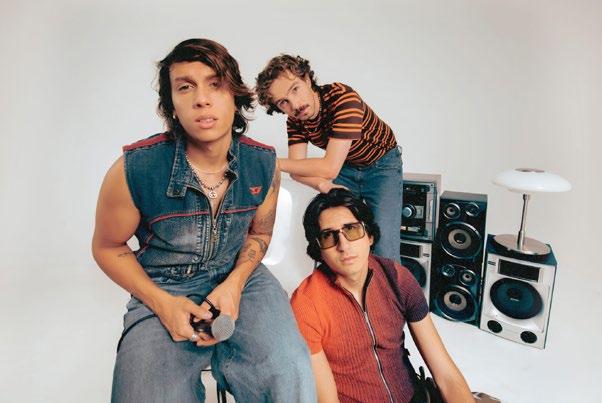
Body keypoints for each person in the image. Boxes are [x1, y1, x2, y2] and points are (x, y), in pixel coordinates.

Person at [92, 38, 315, 402]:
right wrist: (162, 303)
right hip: (162, 284)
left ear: (235, 96)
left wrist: (235, 284)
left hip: (242, 278)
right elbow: (107, 246)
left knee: (289, 372)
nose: (202, 99)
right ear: (171, 103)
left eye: (215, 84)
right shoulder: (134, 169)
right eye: (185, 87)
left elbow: (259, 234)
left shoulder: (264, 164)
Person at [291, 189, 474, 403]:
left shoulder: (397, 278)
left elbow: (446, 375)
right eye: (328, 236)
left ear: (369, 236)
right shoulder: (305, 304)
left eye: (352, 229)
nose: (344, 245)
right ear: (318, 250)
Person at [256, 55, 402, 263]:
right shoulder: (295, 121)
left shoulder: (343, 99)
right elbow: (297, 170)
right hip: (346, 165)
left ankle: (386, 284)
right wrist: (323, 185)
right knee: (334, 235)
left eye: (295, 89)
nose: (295, 105)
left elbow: (329, 168)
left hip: (382, 166)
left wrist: (271, 162)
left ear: (307, 79)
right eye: (283, 102)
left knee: (384, 244)